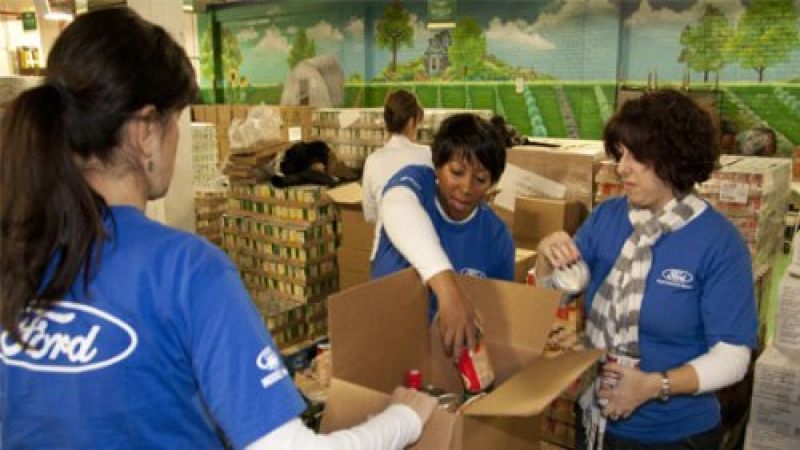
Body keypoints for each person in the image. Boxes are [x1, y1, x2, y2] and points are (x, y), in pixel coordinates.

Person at [0, 8, 435, 450]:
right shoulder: (186, 270)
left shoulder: (16, 253)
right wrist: (404, 419)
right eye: (176, 120)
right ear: (145, 131)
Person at [536, 89, 757, 450]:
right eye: (620, 153)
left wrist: (654, 385)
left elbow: (733, 357)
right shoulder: (608, 217)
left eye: (636, 156)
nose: (622, 167)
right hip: (595, 419)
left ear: (673, 158)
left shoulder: (718, 242)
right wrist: (547, 257)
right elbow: (558, 291)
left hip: (676, 435)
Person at [372, 113, 515, 353]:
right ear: (437, 166)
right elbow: (397, 205)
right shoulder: (417, 186)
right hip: (384, 344)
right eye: (456, 172)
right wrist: (449, 292)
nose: (466, 188)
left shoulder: (497, 237)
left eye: (480, 179)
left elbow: (499, 317)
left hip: (448, 360)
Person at [361, 89, 432, 250]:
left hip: (383, 252)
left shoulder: (373, 160)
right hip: (420, 251)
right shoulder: (427, 156)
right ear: (412, 121)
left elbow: (369, 215)